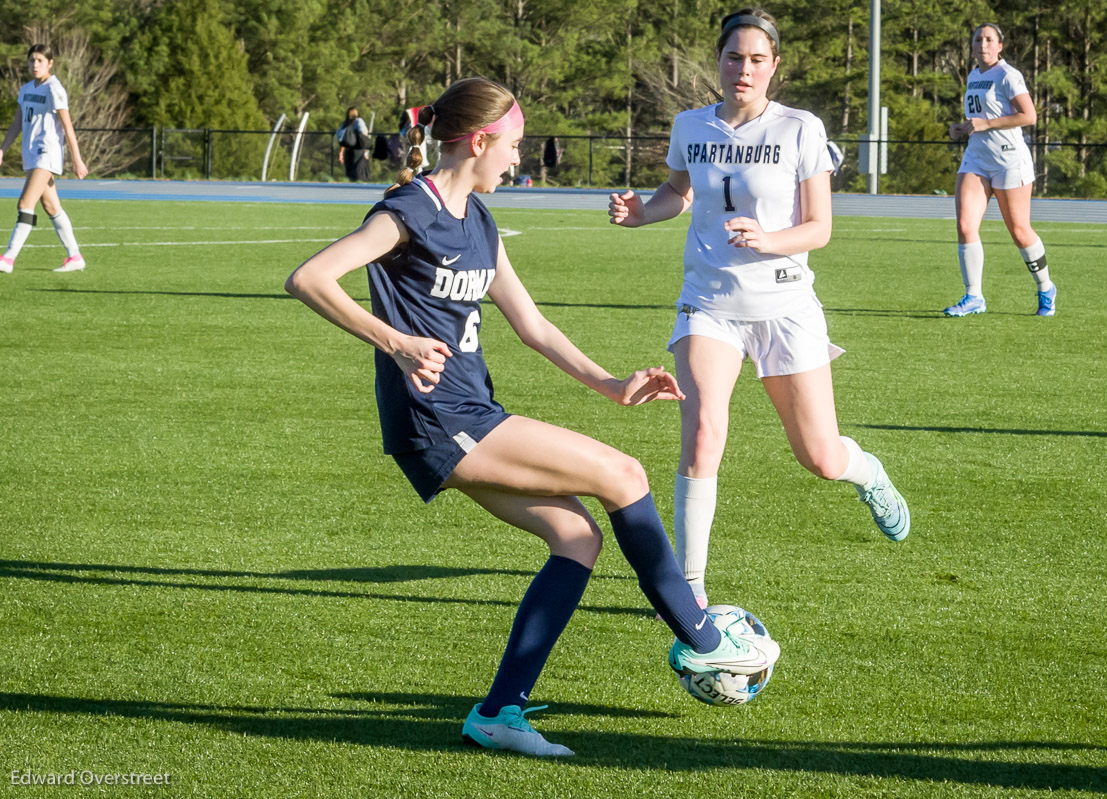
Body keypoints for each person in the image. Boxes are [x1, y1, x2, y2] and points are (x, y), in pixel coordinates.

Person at [285, 77, 778, 758]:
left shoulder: (480, 221)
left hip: (467, 412)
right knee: (623, 473)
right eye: (512, 145)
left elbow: (534, 325)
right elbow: (309, 278)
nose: (517, 160)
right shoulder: (408, 210)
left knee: (577, 538)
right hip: (436, 418)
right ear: (479, 140)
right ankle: (704, 638)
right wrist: (396, 343)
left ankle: (499, 712)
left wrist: (611, 385)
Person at [608, 8, 910, 611]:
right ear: (717, 61)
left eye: (755, 59)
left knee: (820, 457)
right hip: (710, 304)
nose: (742, 69)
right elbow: (679, 190)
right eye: (732, 57)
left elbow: (819, 228)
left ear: (774, 66)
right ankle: (687, 587)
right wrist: (644, 211)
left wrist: (769, 239)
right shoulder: (690, 124)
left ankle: (869, 472)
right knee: (701, 436)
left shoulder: (801, 128)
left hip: (785, 306)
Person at [945, 23, 1055, 317]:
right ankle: (974, 296)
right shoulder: (973, 75)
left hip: (1009, 160)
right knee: (966, 227)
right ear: (971, 46)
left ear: (1000, 46)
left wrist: (986, 124)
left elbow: (1028, 116)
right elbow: (980, 117)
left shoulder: (1008, 75)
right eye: (978, 39)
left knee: (1019, 232)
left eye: (989, 39)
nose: (983, 44)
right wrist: (964, 128)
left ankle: (1045, 288)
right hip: (977, 159)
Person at [0, 43, 89, 274]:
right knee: (51, 206)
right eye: (32, 60)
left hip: (47, 154)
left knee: (24, 204)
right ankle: (75, 256)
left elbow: (68, 128)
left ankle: (8, 259)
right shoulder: (26, 89)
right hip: (32, 155)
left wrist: (78, 160)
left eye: (40, 60)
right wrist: (2, 149)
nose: (35, 65)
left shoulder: (54, 88)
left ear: (50, 63)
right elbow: (16, 124)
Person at [336, 107, 371, 182]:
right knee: (359, 170)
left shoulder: (345, 124)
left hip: (348, 149)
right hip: (358, 149)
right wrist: (366, 150)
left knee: (350, 171)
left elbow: (343, 139)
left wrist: (341, 152)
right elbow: (365, 134)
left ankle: (352, 184)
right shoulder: (358, 121)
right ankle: (359, 184)